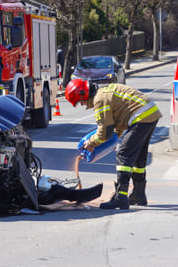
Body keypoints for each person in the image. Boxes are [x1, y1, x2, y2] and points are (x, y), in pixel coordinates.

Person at [64, 78, 162, 210]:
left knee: (123, 155)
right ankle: (139, 195)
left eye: (79, 101)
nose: (81, 105)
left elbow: (105, 131)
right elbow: (119, 120)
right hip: (150, 113)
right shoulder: (103, 92)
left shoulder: (99, 100)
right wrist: (115, 138)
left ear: (83, 94)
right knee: (138, 156)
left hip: (141, 117)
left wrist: (91, 143)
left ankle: (121, 198)